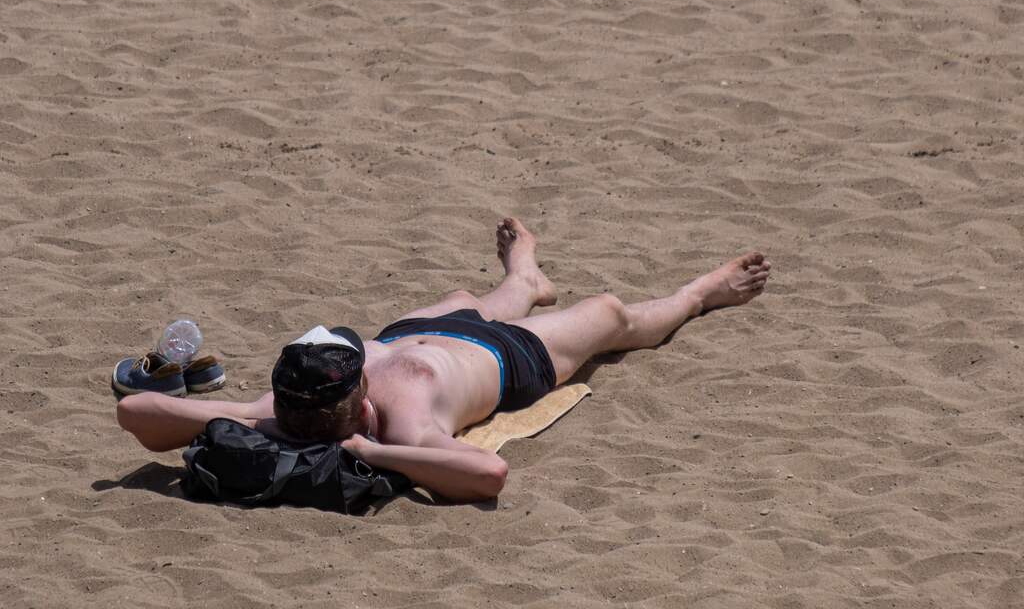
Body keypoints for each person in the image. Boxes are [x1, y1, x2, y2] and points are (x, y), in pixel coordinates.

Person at [116, 217, 771, 502]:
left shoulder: (278, 408)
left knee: (465, 299)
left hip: (415, 334)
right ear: (359, 405)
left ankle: (524, 280)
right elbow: (489, 474)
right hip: (506, 358)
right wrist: (373, 453)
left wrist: (254, 420)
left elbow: (136, 411)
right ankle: (699, 294)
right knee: (609, 314)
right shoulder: (402, 428)